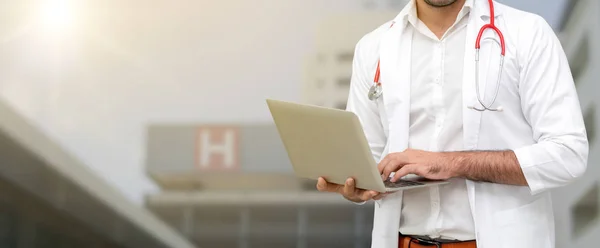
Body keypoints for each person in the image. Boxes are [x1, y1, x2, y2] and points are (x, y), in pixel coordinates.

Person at [315, 0, 589, 248]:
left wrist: (452, 163)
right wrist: (356, 187)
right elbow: (370, 161)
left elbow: (568, 154)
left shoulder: (527, 33)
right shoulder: (372, 48)